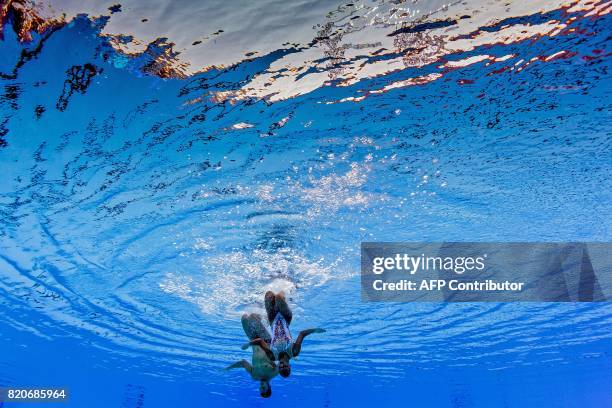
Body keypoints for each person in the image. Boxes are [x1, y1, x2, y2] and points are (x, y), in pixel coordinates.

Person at [242, 291, 325, 378]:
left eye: (280, 367)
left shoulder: (272, 357)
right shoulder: (294, 352)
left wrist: (248, 344)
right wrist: (315, 330)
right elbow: (302, 334)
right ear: (289, 366)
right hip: (286, 317)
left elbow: (260, 341)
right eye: (285, 366)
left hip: (272, 319)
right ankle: (290, 289)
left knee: (269, 295)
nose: (282, 365)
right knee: (278, 297)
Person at [226, 313, 277, 398]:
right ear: (269, 387)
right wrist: (291, 354)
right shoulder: (273, 373)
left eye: (260, 388)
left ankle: (262, 319)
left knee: (244, 318)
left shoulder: (254, 376)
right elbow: (284, 362)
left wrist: (228, 368)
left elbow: (243, 363)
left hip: (253, 341)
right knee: (253, 317)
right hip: (266, 340)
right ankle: (266, 318)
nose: (261, 387)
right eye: (264, 388)